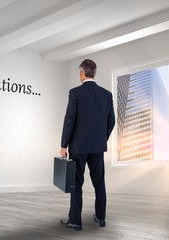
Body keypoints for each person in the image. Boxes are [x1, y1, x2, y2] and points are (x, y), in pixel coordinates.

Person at [59, 59, 115, 231]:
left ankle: (75, 221)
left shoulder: (75, 93)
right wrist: (101, 139)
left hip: (78, 147)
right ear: (94, 73)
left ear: (82, 73)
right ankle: (101, 217)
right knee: (100, 183)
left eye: (79, 73)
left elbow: (70, 120)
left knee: (76, 184)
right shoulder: (107, 95)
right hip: (97, 147)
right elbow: (111, 121)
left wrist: (64, 144)